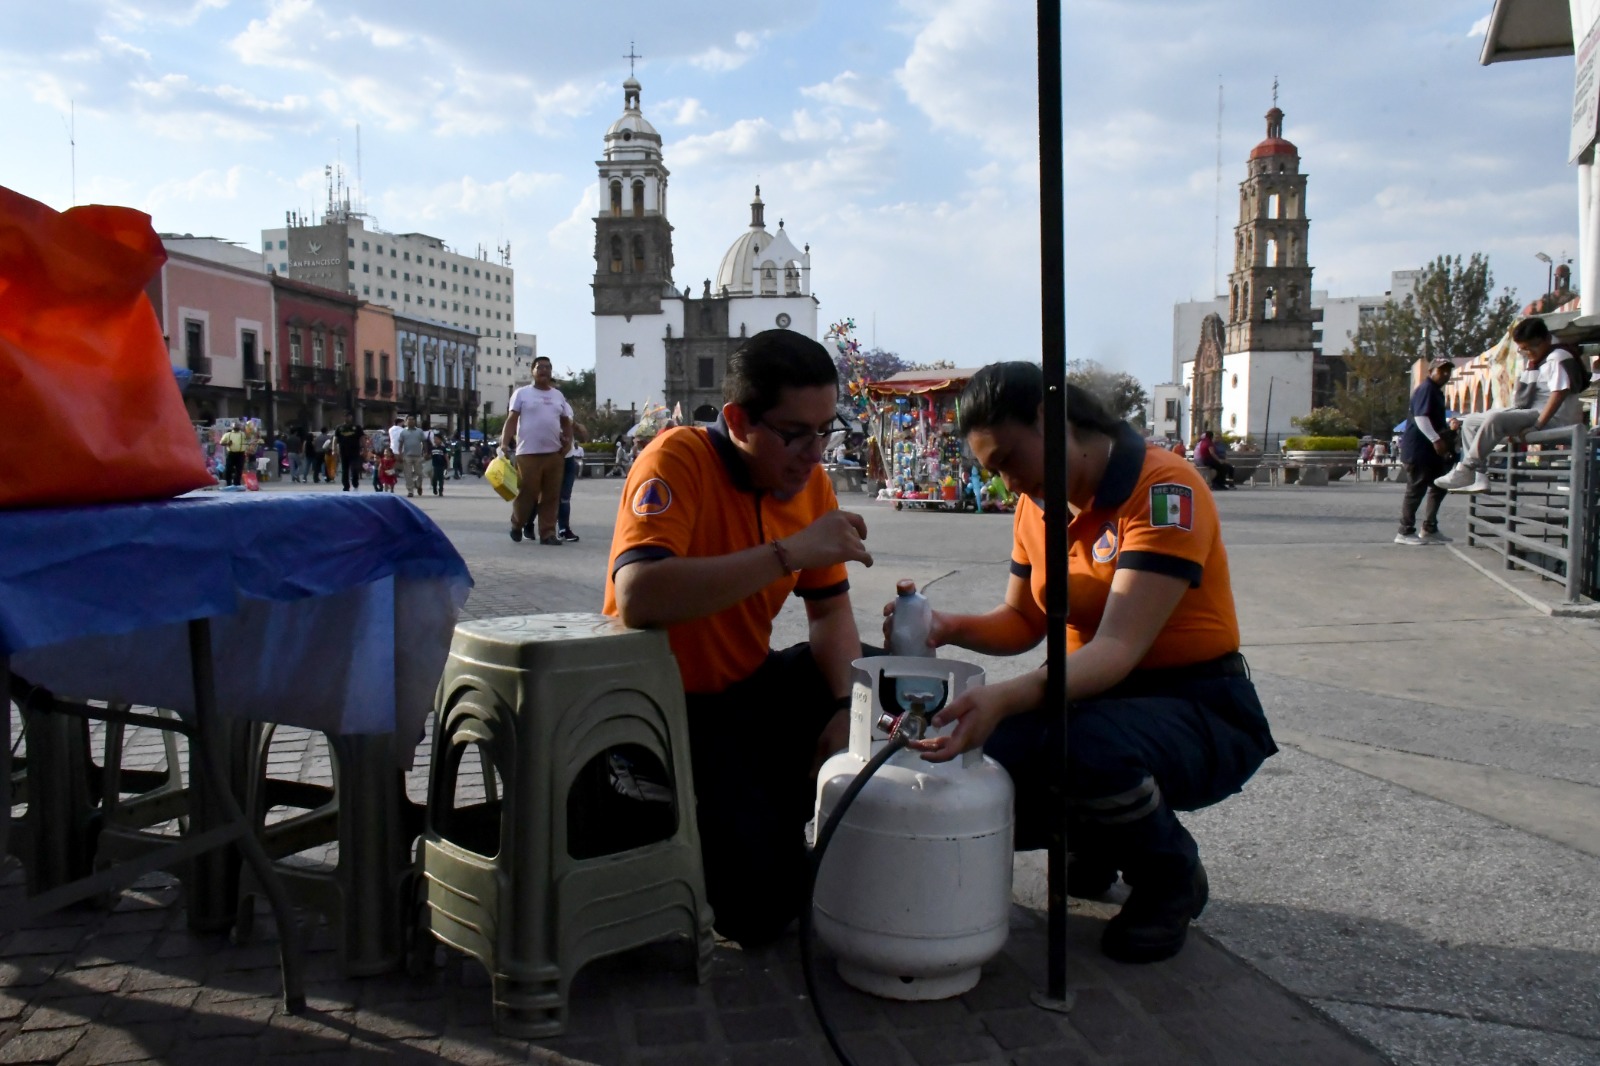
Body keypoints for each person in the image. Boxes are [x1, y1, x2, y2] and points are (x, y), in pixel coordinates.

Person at [887, 362, 1275, 964]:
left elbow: (1118, 649)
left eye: (1010, 459)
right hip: (1087, 700)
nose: (1009, 484)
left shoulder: (1165, 492)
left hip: (1196, 706)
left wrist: (1007, 698)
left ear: (1049, 418)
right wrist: (946, 626)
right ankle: (1094, 835)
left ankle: (1170, 876)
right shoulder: (1038, 506)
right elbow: (1022, 623)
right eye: (995, 472)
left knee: (1080, 745)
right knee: (981, 764)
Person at [603, 329, 872, 946]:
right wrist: (790, 552)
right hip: (664, 711)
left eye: (825, 430)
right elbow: (641, 596)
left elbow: (830, 615)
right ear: (735, 419)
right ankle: (728, 822)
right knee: (759, 912)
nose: (813, 453)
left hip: (746, 688)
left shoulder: (811, 485)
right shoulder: (677, 459)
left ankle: (780, 811)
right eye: (793, 433)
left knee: (887, 679)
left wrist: (844, 707)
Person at [1436, 317, 1588, 493]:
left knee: (1496, 419)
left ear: (1546, 340)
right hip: (1532, 412)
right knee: (1470, 422)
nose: (1529, 352)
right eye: (1524, 349)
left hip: (1550, 418)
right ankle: (1479, 477)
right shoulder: (1537, 361)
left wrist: (1538, 426)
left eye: (1532, 347)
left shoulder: (1557, 357)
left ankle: (1466, 468)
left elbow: (1559, 393)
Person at [501, 356, 573, 545]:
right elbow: (511, 420)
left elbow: (566, 421)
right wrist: (504, 444)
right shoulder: (522, 394)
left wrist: (568, 441)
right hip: (527, 454)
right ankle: (517, 524)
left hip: (554, 454)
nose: (544, 370)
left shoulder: (557, 395)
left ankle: (548, 533)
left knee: (551, 495)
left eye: (548, 367)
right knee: (527, 493)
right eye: (539, 367)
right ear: (532, 371)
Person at [1395, 358, 1456, 546]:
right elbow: (1421, 417)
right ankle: (1405, 531)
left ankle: (1429, 527)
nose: (1445, 374)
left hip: (1430, 451)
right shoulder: (1426, 389)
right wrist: (1436, 440)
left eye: (1448, 371)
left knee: (1439, 485)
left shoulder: (1436, 392)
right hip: (1419, 449)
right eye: (1441, 370)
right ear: (1431, 371)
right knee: (1416, 489)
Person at [557, 421, 588, 542]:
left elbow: (570, 423)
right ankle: (528, 524)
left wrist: (580, 427)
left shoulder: (565, 406)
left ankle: (563, 529)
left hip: (568, 458)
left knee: (565, 497)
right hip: (551, 457)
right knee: (546, 496)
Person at [396, 415, 428, 498]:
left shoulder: (419, 431)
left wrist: (426, 452)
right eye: (409, 420)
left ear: (415, 421)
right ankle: (410, 490)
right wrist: (399, 453)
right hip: (407, 456)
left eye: (412, 420)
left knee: (419, 473)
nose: (410, 422)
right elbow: (400, 443)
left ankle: (419, 485)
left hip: (418, 455)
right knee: (408, 474)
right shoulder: (403, 432)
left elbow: (424, 442)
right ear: (406, 422)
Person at [333, 412, 366, 492]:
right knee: (345, 469)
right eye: (345, 416)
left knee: (354, 468)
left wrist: (365, 449)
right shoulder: (339, 428)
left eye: (348, 416)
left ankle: (355, 483)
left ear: (351, 417)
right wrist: (334, 450)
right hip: (343, 451)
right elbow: (335, 439)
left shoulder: (357, 427)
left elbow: (362, 438)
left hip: (355, 451)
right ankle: (346, 486)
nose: (347, 418)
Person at [429, 430, 448, 497]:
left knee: (441, 479)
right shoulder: (432, 448)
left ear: (440, 440)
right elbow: (430, 456)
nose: (435, 440)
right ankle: (434, 488)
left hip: (441, 465)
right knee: (434, 478)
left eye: (437, 439)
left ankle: (440, 490)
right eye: (435, 439)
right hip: (434, 465)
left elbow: (446, 456)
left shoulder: (443, 448)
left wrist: (447, 464)